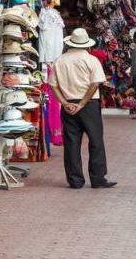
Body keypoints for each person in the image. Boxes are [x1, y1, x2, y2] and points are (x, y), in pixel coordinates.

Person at [48, 28, 117, 189]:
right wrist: (83, 103)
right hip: (89, 104)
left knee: (71, 142)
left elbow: (53, 85)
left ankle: (75, 179)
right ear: (86, 44)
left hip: (68, 104)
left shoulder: (60, 60)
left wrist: (65, 103)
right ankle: (98, 177)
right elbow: (95, 83)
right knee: (96, 141)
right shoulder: (91, 60)